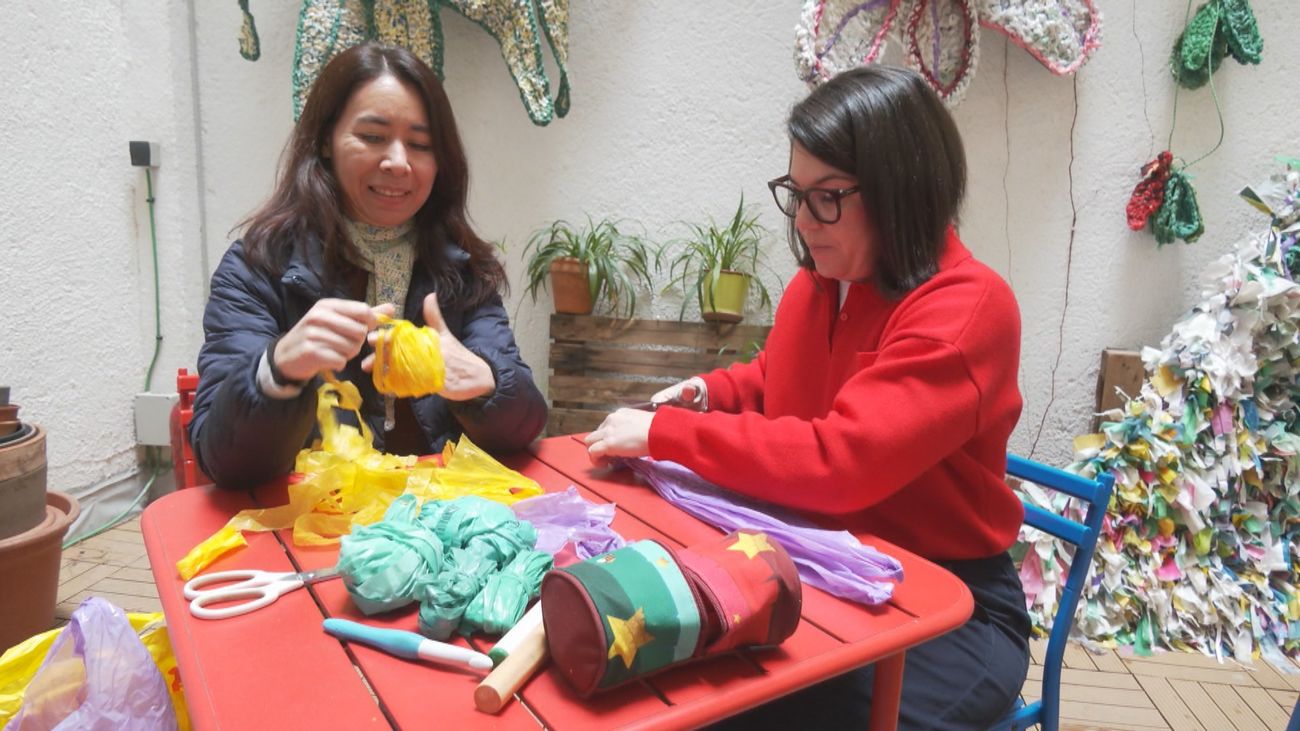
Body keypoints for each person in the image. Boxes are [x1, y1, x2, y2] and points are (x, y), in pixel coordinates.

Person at [584, 65, 1029, 730]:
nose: (804, 218)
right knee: (698, 683)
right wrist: (708, 393)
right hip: (828, 564)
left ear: (900, 191)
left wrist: (665, 436)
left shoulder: (967, 306)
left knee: (754, 706)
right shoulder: (823, 284)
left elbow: (841, 459)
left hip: (950, 604)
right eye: (796, 192)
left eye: (828, 196)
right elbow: (778, 380)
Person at [192, 42, 547, 488]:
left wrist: (488, 383)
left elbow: (527, 424)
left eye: (420, 144)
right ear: (325, 141)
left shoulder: (462, 269)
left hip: (440, 525)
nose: (398, 162)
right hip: (312, 528)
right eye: (373, 137)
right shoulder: (258, 267)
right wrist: (277, 370)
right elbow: (221, 460)